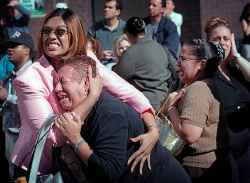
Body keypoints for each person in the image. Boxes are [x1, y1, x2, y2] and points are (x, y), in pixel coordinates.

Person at [11, 8, 159, 179]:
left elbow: (128, 93)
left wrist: (153, 130)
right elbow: (52, 137)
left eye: (60, 32)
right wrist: (92, 97)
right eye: (46, 31)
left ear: (73, 35)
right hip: (39, 170)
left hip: (75, 163)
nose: (51, 37)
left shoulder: (86, 60)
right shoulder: (28, 79)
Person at [54, 55, 191, 183]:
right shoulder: (92, 110)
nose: (56, 88)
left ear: (86, 84)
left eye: (62, 82)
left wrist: (76, 139)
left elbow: (108, 174)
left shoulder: (109, 113)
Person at [165, 40, 223, 182]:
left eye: (183, 59)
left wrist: (171, 108)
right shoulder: (206, 85)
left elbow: (190, 135)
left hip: (196, 168)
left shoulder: (198, 88)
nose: (178, 63)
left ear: (202, 64)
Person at [201, 16, 250, 183]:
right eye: (216, 39)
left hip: (247, 151)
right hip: (225, 156)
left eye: (226, 38)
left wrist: (236, 55)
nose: (222, 42)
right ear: (208, 43)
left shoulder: (238, 70)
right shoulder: (205, 73)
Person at [113, 17, 172, 111]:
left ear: (127, 34)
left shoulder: (131, 52)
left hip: (144, 105)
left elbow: (116, 79)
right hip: (165, 101)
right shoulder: (161, 48)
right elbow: (175, 73)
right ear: (145, 30)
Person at [0, 31, 34, 181]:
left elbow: (33, 106)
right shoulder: (11, 75)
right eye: (8, 46)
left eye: (14, 45)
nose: (9, 49)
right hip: (10, 136)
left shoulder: (33, 74)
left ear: (27, 50)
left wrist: (7, 97)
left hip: (25, 141)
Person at [88, 0, 125, 66]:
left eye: (110, 7)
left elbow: (133, 50)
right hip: (101, 68)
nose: (106, 9)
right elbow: (87, 51)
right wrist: (100, 55)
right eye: (105, 7)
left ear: (117, 12)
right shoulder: (94, 29)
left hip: (121, 68)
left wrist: (118, 55)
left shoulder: (126, 28)